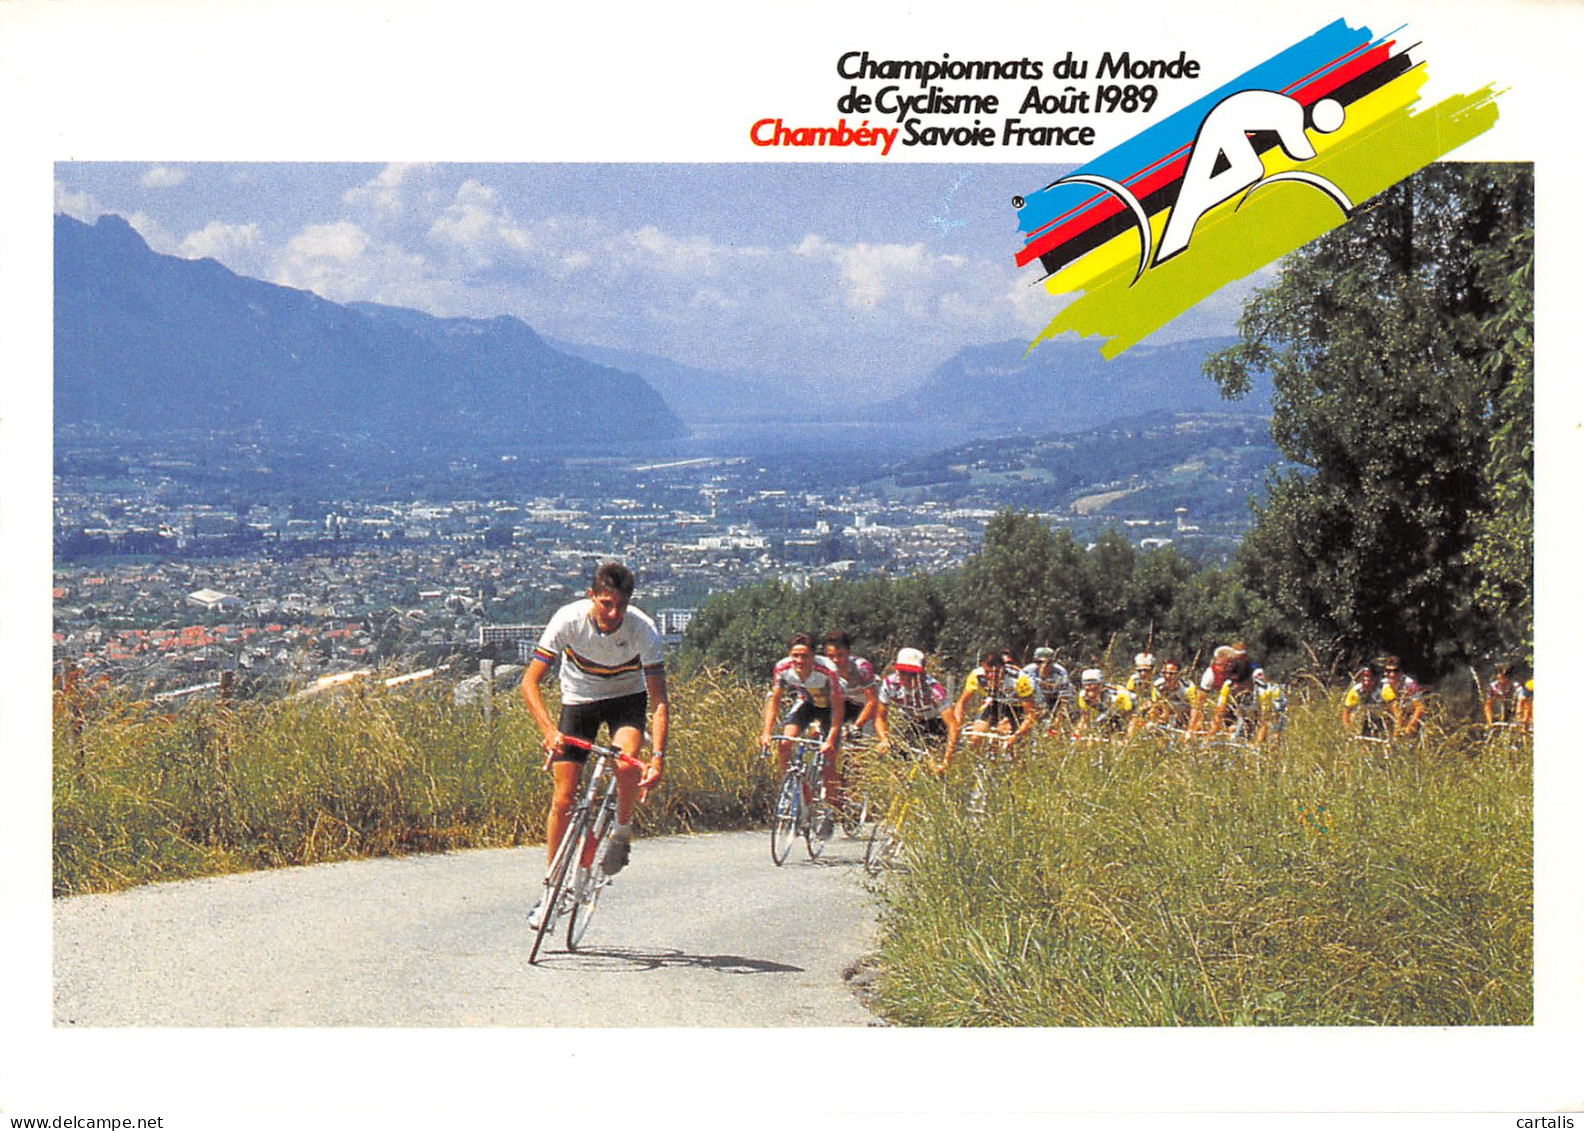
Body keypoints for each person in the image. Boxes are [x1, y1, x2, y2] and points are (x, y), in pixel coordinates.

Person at [520, 561, 668, 929]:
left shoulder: (643, 630)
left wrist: (658, 757)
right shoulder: (567, 620)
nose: (613, 613)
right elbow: (529, 682)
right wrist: (549, 730)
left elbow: (660, 701)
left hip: (626, 701)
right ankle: (552, 889)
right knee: (563, 798)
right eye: (605, 604)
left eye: (620, 605)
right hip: (579, 701)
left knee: (625, 760)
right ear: (592, 597)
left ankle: (621, 829)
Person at [760, 632, 845, 834]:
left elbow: (838, 708)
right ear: (789, 655)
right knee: (784, 744)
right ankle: (798, 791)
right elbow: (774, 701)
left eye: (804, 656)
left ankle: (830, 812)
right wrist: (766, 732)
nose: (799, 661)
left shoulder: (827, 670)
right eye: (795, 655)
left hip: (830, 709)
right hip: (807, 704)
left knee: (828, 760)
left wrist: (831, 739)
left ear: (812, 656)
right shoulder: (782, 669)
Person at [944, 647, 1037, 769]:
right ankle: (977, 768)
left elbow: (1031, 714)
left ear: (1003, 668)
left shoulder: (1018, 678)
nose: (992, 677)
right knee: (976, 736)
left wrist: (1017, 735)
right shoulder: (977, 676)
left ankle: (1017, 772)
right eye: (988, 672)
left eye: (997, 672)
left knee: (1014, 746)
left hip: (1017, 708)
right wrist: (956, 726)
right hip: (996, 704)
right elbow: (962, 703)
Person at [873, 647, 957, 765]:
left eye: (913, 674)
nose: (907, 678)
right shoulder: (889, 684)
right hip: (910, 722)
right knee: (896, 763)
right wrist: (884, 740)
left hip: (935, 724)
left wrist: (946, 760)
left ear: (922, 673)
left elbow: (952, 724)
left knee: (930, 764)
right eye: (902, 672)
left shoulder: (933, 688)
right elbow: (879, 717)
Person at [824, 629, 879, 736]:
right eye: (831, 656)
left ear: (848, 653)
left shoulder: (862, 668)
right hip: (847, 702)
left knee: (864, 738)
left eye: (840, 655)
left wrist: (856, 727)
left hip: (867, 704)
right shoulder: (824, 670)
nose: (835, 660)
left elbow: (872, 701)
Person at [1071, 668, 1137, 737]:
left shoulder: (1118, 696)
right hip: (1107, 712)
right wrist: (1076, 734)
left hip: (1126, 708)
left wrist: (1128, 738)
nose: (1091, 694)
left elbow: (1132, 718)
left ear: (1101, 686)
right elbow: (1084, 718)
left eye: (1094, 689)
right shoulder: (1083, 697)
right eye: (1087, 689)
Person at [1021, 646, 1071, 734]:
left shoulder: (1061, 673)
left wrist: (1056, 723)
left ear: (1052, 663)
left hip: (1054, 702)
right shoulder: (1027, 672)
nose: (1042, 666)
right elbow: (1027, 698)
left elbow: (1064, 700)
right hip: (1034, 704)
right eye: (1038, 662)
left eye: (1047, 663)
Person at [1378, 656, 1426, 738]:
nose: (1392, 674)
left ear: (1401, 672)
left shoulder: (1410, 684)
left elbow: (1420, 708)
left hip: (1411, 714)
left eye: (1395, 671)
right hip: (1394, 715)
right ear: (1385, 672)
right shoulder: (1382, 684)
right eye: (1388, 671)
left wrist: (1410, 727)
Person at [1341, 664, 1392, 740]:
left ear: (1377, 679)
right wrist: (1349, 730)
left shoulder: (1385, 689)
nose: (1366, 683)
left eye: (1370, 680)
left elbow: (1396, 710)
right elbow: (1346, 711)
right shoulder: (1356, 690)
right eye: (1363, 680)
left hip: (1387, 720)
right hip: (1370, 719)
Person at [1146, 658, 1196, 731]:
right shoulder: (1157, 686)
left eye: (1171, 674)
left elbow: (1196, 710)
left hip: (1185, 716)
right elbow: (1155, 706)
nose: (1167, 676)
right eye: (1164, 673)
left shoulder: (1188, 688)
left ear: (1179, 674)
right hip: (1167, 715)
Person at [1483, 662, 1531, 732]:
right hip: (1500, 712)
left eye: (1503, 679)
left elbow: (1525, 705)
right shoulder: (1493, 686)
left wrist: (1524, 724)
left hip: (1516, 711)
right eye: (1498, 679)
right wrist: (1490, 722)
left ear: (1509, 679)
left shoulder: (1517, 687)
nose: (1500, 681)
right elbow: (1488, 705)